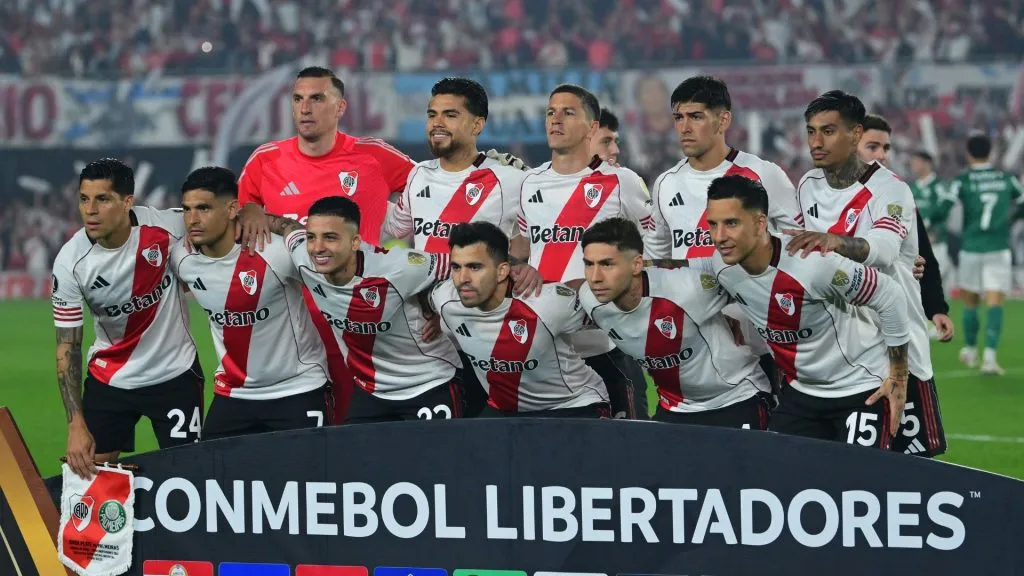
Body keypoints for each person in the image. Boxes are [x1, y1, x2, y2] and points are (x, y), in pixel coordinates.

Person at [786, 94, 947, 457]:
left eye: (828, 131)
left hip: (899, 352)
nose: (816, 142)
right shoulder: (808, 184)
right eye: (811, 131)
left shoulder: (891, 190)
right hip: (843, 360)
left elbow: (885, 251)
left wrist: (832, 241)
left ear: (855, 133)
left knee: (912, 473)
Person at [706, 175, 911, 448]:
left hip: (859, 389)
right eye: (713, 224)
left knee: (857, 485)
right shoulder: (720, 265)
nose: (719, 237)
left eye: (731, 223)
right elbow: (674, 274)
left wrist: (898, 375)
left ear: (759, 223)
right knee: (780, 483)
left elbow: (889, 295)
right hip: (801, 394)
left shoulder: (812, 264)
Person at [381, 76, 539, 417]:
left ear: (477, 124)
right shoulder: (418, 176)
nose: (437, 123)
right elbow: (393, 229)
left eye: (450, 114)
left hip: (486, 341)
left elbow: (542, 233)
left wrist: (520, 261)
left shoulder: (510, 179)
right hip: (430, 343)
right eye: (432, 114)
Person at [642, 75, 801, 399]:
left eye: (696, 116)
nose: (684, 127)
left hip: (758, 341)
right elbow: (656, 262)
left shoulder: (762, 174)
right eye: (679, 117)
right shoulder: (665, 184)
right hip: (692, 341)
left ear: (723, 119)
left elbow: (798, 248)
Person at [52, 158, 203, 478]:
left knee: (191, 476)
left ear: (127, 202)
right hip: (111, 380)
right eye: (84, 199)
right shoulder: (71, 262)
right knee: (90, 478)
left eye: (102, 199)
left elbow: (223, 221)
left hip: (174, 375)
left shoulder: (167, 226)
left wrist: (251, 212)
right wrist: (75, 424)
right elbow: (68, 347)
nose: (90, 210)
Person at [515, 83, 653, 420]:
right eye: (550, 112)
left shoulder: (623, 183)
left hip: (601, 345)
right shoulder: (528, 183)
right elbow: (524, 248)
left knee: (620, 458)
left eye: (568, 112)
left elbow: (652, 250)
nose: (555, 120)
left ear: (591, 127)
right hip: (540, 349)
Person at [269, 196, 464, 423]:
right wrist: (253, 213)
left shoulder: (398, 267)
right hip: (370, 390)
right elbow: (288, 227)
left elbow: (463, 268)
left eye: (331, 238)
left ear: (355, 242)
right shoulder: (304, 257)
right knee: (356, 458)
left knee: (436, 459)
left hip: (428, 383)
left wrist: (441, 309)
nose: (318, 248)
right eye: (312, 237)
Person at [170, 167, 329, 439]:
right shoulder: (182, 259)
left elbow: (324, 256)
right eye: (187, 209)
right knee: (211, 477)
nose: (193, 219)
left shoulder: (274, 252)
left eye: (204, 208)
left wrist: (266, 217)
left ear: (232, 209)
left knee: (305, 478)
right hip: (234, 394)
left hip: (296, 390)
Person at [579, 217, 773, 428]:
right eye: (589, 264)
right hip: (675, 408)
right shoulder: (590, 299)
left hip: (736, 399)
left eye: (607, 264)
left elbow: (753, 277)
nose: (595, 277)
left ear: (636, 264)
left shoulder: (687, 289)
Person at [430, 222, 610, 417]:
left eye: (475, 267)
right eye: (456, 267)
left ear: (502, 271)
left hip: (571, 405)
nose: (462, 278)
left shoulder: (544, 302)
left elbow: (603, 302)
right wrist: (429, 317)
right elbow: (424, 297)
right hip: (505, 411)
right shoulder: (445, 299)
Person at [856, 114, 954, 342]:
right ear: (852, 145)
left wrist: (937, 308)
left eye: (886, 148)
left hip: (900, 324)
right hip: (853, 326)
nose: (881, 155)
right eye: (872, 147)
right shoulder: (828, 197)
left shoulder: (900, 195)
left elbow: (924, 254)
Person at [933, 133, 1024, 375]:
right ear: (990, 153)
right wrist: (1011, 219)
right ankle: (990, 358)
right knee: (996, 302)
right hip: (998, 247)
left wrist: (931, 223)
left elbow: (944, 208)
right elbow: (1023, 201)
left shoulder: (963, 180)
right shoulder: (1005, 179)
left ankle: (971, 350)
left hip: (971, 247)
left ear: (968, 154)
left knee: (970, 303)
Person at [908, 150, 955, 298]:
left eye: (916, 162)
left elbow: (946, 206)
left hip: (936, 243)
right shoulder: (911, 187)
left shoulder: (939, 185)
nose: (913, 165)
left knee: (933, 285)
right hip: (915, 244)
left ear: (927, 163)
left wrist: (927, 223)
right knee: (917, 287)